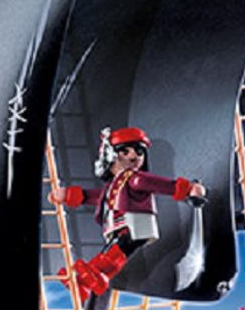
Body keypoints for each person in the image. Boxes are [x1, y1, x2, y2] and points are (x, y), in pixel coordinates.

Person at [50, 126, 205, 299]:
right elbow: (100, 198)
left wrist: (187, 188)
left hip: (134, 224)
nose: (133, 157)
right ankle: (87, 282)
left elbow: (161, 185)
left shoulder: (136, 179)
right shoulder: (116, 183)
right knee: (111, 252)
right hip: (120, 224)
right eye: (125, 151)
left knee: (114, 252)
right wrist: (71, 195)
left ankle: (93, 277)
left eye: (139, 152)